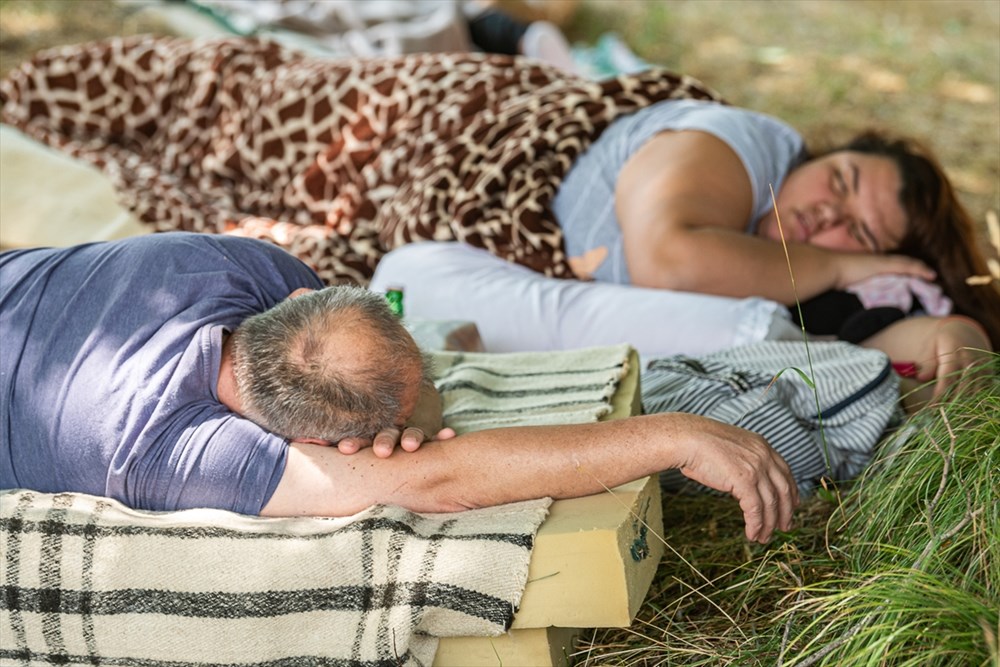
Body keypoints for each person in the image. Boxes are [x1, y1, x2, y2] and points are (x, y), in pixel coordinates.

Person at [0, 233, 797, 543]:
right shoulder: (162, 443)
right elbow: (438, 477)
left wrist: (406, 413)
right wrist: (671, 434)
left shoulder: (242, 265)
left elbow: (419, 404)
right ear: (312, 441)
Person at [371, 98, 998, 404]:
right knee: (402, 286)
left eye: (858, 233)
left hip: (558, 338)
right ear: (821, 153)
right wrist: (838, 260)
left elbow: (857, 325)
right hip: (437, 263)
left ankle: (861, 388)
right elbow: (669, 261)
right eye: (841, 180)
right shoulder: (741, 145)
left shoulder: (790, 270)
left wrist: (943, 333)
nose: (829, 212)